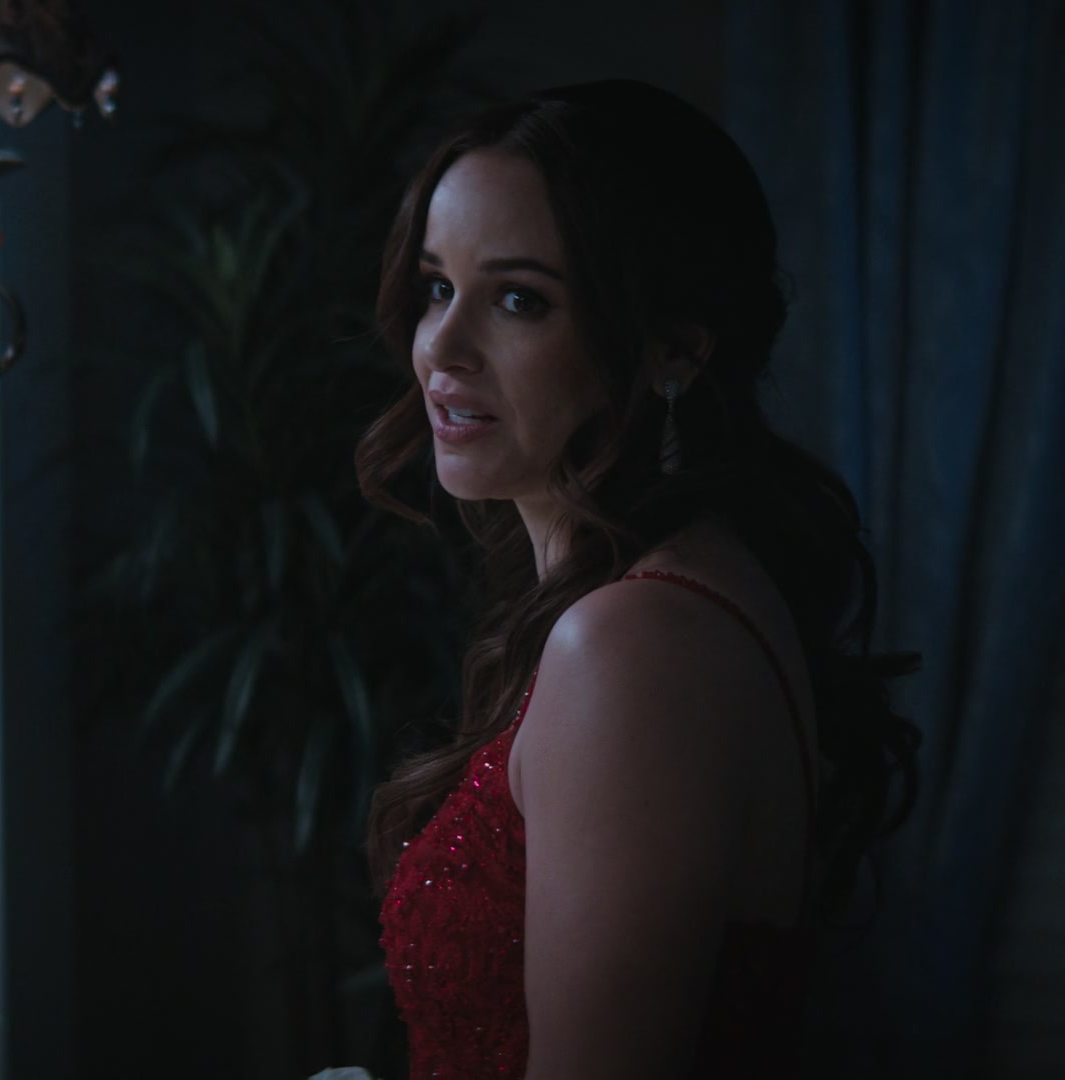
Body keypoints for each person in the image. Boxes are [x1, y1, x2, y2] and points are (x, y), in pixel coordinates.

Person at [358, 80, 920, 1079]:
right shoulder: (663, 597)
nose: (440, 347)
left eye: (519, 300)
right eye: (438, 287)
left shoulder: (632, 645)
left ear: (674, 349)